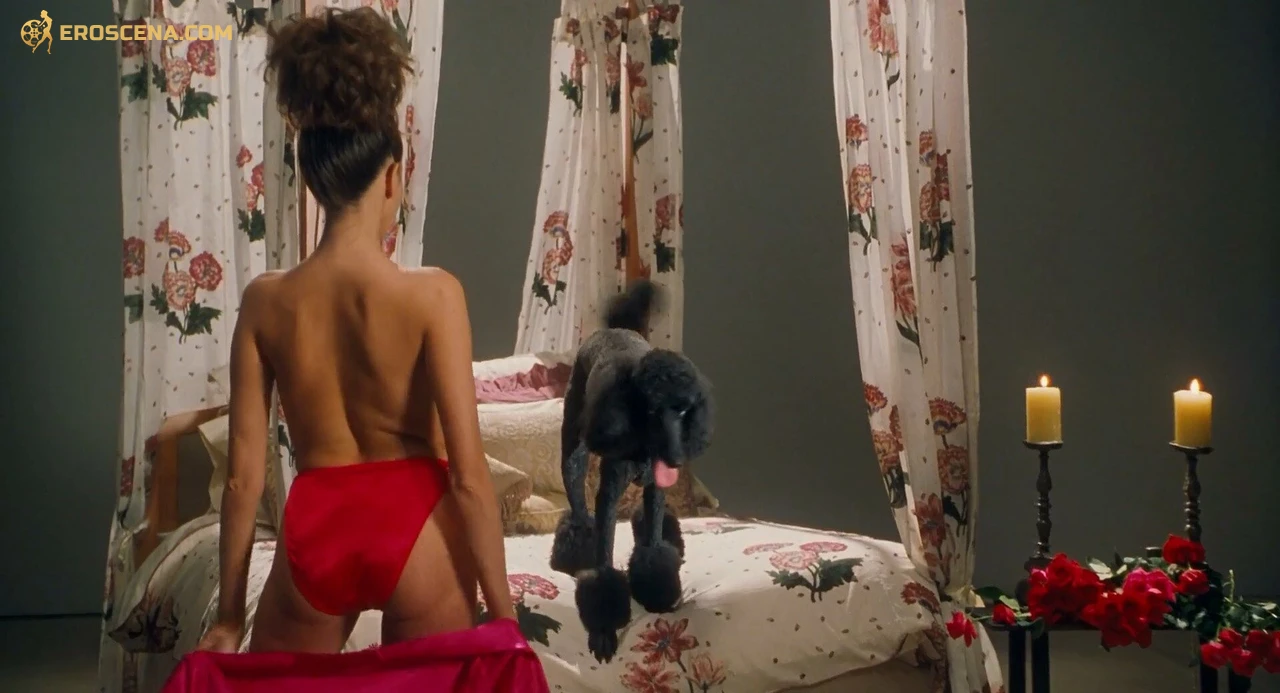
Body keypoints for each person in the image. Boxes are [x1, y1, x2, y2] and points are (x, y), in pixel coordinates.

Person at [194, 7, 516, 655]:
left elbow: (243, 480)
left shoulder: (265, 303)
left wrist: (228, 618)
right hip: (419, 528)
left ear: (312, 179)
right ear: (393, 175)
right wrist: (504, 618)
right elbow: (469, 477)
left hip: (318, 526)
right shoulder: (434, 295)